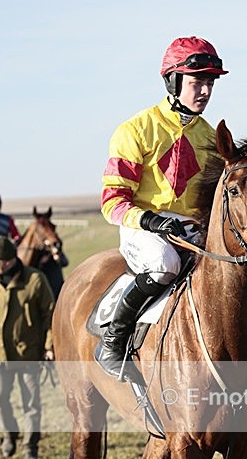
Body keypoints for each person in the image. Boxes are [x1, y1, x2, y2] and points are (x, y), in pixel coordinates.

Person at [96, 36, 229, 382]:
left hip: (189, 229)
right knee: (165, 263)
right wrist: (151, 220)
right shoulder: (134, 130)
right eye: (197, 82)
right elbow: (112, 202)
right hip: (142, 227)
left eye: (210, 83)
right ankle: (113, 342)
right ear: (173, 81)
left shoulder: (211, 138)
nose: (205, 91)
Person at [0, 236, 55, 459]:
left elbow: (50, 314)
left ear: (7, 261)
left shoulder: (35, 280)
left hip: (29, 354)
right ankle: (9, 434)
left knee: (31, 404)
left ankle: (30, 447)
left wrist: (48, 347)